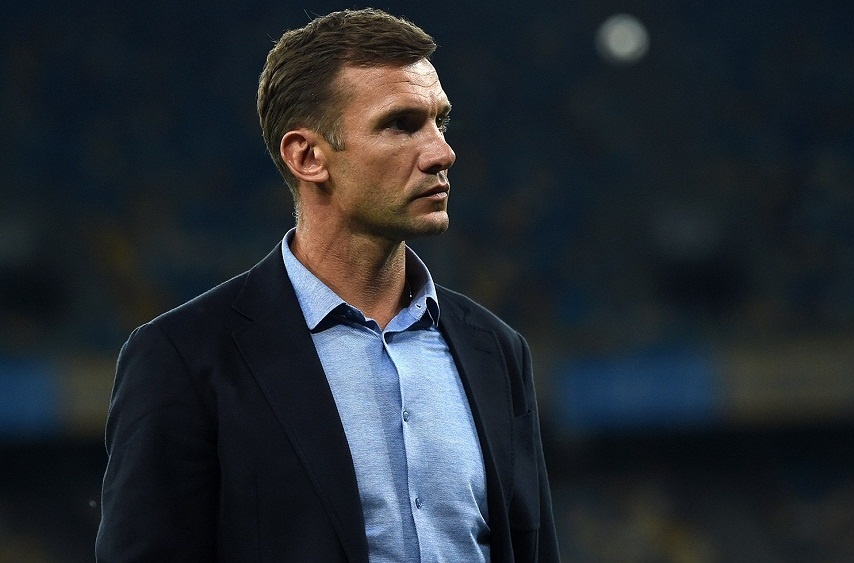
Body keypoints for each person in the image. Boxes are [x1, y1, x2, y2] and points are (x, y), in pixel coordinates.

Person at [95, 8, 559, 562]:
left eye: (440, 121)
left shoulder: (497, 350)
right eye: (401, 124)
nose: (442, 152)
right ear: (308, 157)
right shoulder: (183, 358)